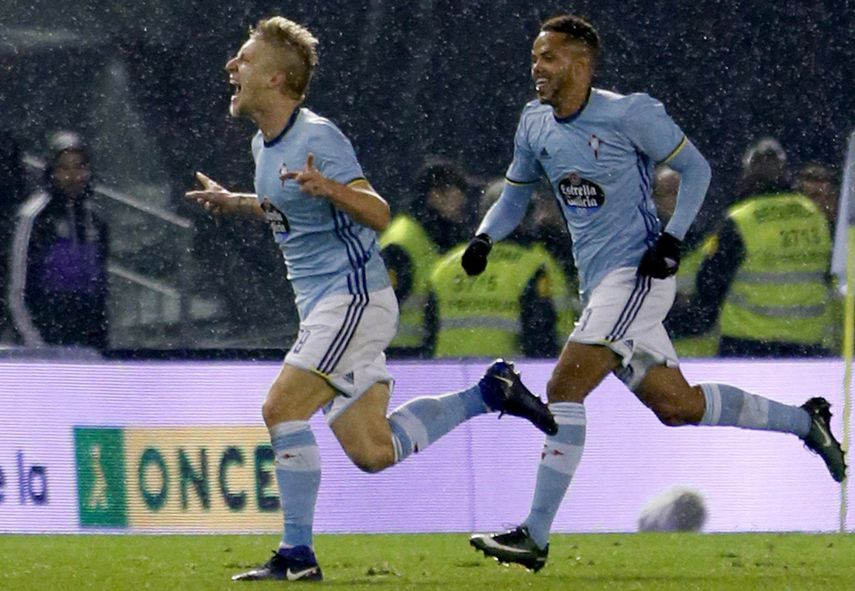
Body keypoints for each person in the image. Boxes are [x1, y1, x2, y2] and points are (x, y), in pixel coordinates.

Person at [463, 15, 846, 572]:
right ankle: (805, 421)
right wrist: (483, 238)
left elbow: (697, 170)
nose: (537, 69)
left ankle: (534, 536)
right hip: (600, 285)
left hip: (637, 277)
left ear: (580, 63)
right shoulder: (534, 123)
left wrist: (671, 241)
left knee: (563, 385)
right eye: (534, 58)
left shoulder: (630, 113)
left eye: (548, 58)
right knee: (677, 405)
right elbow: (517, 195)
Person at [184, 17, 557, 583]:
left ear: (279, 77)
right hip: (328, 307)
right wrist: (236, 202)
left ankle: (296, 556)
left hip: (352, 299)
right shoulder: (265, 143)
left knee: (280, 409)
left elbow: (379, 212)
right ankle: (490, 392)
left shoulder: (318, 137)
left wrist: (331, 188)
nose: (233, 67)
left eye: (245, 59)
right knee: (373, 451)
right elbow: (286, 206)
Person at [671, 138, 835, 357]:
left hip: (750, 343)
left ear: (748, 173)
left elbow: (710, 286)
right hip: (808, 343)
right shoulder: (814, 214)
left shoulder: (742, 220)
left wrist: (675, 325)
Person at [428, 177, 575, 358]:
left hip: (444, 374)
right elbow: (540, 333)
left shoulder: (447, 263)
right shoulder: (532, 265)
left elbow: (429, 330)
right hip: (507, 375)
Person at [7, 131, 109, 350]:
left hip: (87, 344)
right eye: (64, 168)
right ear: (51, 171)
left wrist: (100, 343)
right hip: (43, 341)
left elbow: (100, 289)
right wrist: (34, 341)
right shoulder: (33, 217)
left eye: (79, 167)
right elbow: (17, 289)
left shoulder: (96, 220)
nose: (73, 176)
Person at [379, 158, 476, 357]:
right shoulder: (402, 242)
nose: (464, 201)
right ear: (435, 195)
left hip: (420, 352)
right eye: (459, 192)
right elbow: (381, 305)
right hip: (399, 354)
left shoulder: (434, 235)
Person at [654, 165, 719, 357]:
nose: (678, 198)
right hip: (655, 360)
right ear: (654, 200)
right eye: (670, 192)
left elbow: (710, 309)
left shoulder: (711, 243)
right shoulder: (638, 248)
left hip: (703, 358)